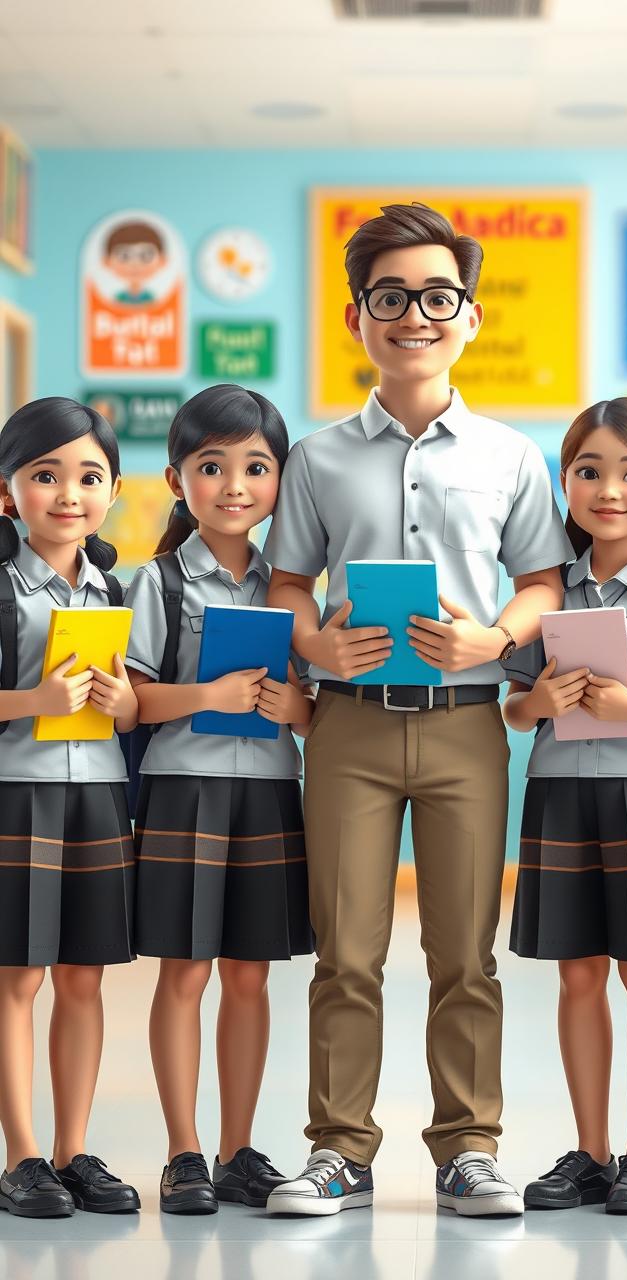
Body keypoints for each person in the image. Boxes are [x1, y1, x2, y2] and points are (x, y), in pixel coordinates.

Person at [265, 202, 572, 1217]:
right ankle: (338, 1150)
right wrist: (313, 643)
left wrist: (496, 639)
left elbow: (541, 583)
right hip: (347, 723)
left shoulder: (511, 456)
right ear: (357, 315)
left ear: (470, 316)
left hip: (465, 725)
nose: (414, 315)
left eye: (436, 296)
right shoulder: (315, 457)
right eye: (390, 297)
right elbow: (288, 590)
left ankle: (468, 1146)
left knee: (463, 952)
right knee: (345, 949)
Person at [504, 397, 627, 1216]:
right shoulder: (543, 591)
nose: (609, 490)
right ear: (566, 482)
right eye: (589, 471)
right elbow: (514, 711)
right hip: (557, 793)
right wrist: (543, 700)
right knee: (578, 976)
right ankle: (590, 1150)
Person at [124, 385, 315, 1215]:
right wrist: (208, 696)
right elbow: (128, 701)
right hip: (183, 791)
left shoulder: (296, 589)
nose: (234, 485)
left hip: (271, 793)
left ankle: (239, 1149)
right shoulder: (156, 582)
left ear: (281, 480)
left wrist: (289, 708)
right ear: (177, 479)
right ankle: (183, 1153)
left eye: (256, 467)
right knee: (185, 972)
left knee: (250, 977)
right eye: (212, 466)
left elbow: (314, 710)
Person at [0, 398, 139, 1218]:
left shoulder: (112, 587)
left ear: (114, 489)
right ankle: (21, 1158)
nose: (68, 494)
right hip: (17, 798)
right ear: (9, 493)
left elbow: (124, 715)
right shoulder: (3, 586)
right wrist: (33, 699)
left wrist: (123, 701)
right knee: (18, 979)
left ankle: (71, 1150)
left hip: (97, 798)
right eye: (45, 475)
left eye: (89, 476)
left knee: (83, 978)